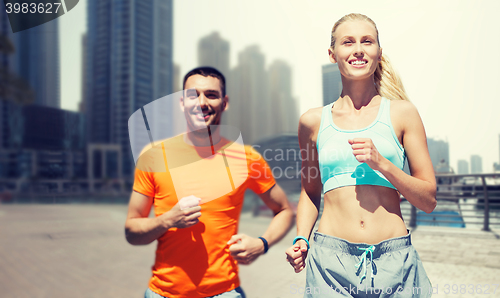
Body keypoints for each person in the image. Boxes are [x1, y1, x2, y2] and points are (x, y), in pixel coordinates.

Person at [285, 13, 436, 297]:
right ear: (333, 54)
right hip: (330, 265)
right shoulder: (312, 122)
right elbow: (309, 191)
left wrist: (383, 164)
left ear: (379, 52)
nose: (358, 49)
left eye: (367, 41)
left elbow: (428, 200)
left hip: (396, 264)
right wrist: (301, 238)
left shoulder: (403, 113)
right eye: (348, 42)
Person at [126, 66, 294, 298]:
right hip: (163, 293)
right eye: (192, 95)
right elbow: (132, 231)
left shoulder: (247, 158)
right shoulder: (153, 155)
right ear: (181, 103)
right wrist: (166, 220)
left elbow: (285, 210)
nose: (201, 102)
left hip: (224, 292)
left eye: (211, 95)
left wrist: (261, 244)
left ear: (224, 103)